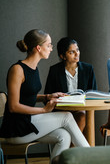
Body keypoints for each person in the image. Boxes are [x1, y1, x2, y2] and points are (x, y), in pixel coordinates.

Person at [0, 29, 89, 164]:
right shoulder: (17, 70)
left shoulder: (34, 68)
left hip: (27, 123)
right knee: (67, 117)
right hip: (16, 129)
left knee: (64, 136)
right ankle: (93, 157)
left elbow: (28, 96)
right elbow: (13, 106)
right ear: (38, 48)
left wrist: (47, 96)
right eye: (49, 45)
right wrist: (43, 110)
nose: (51, 48)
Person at [44, 37, 97, 132]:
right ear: (62, 56)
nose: (77, 54)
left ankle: (70, 147)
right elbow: (47, 95)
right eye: (71, 52)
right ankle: (72, 146)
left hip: (81, 110)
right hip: (61, 111)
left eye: (77, 50)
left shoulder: (87, 69)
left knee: (81, 117)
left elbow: (93, 93)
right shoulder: (54, 70)